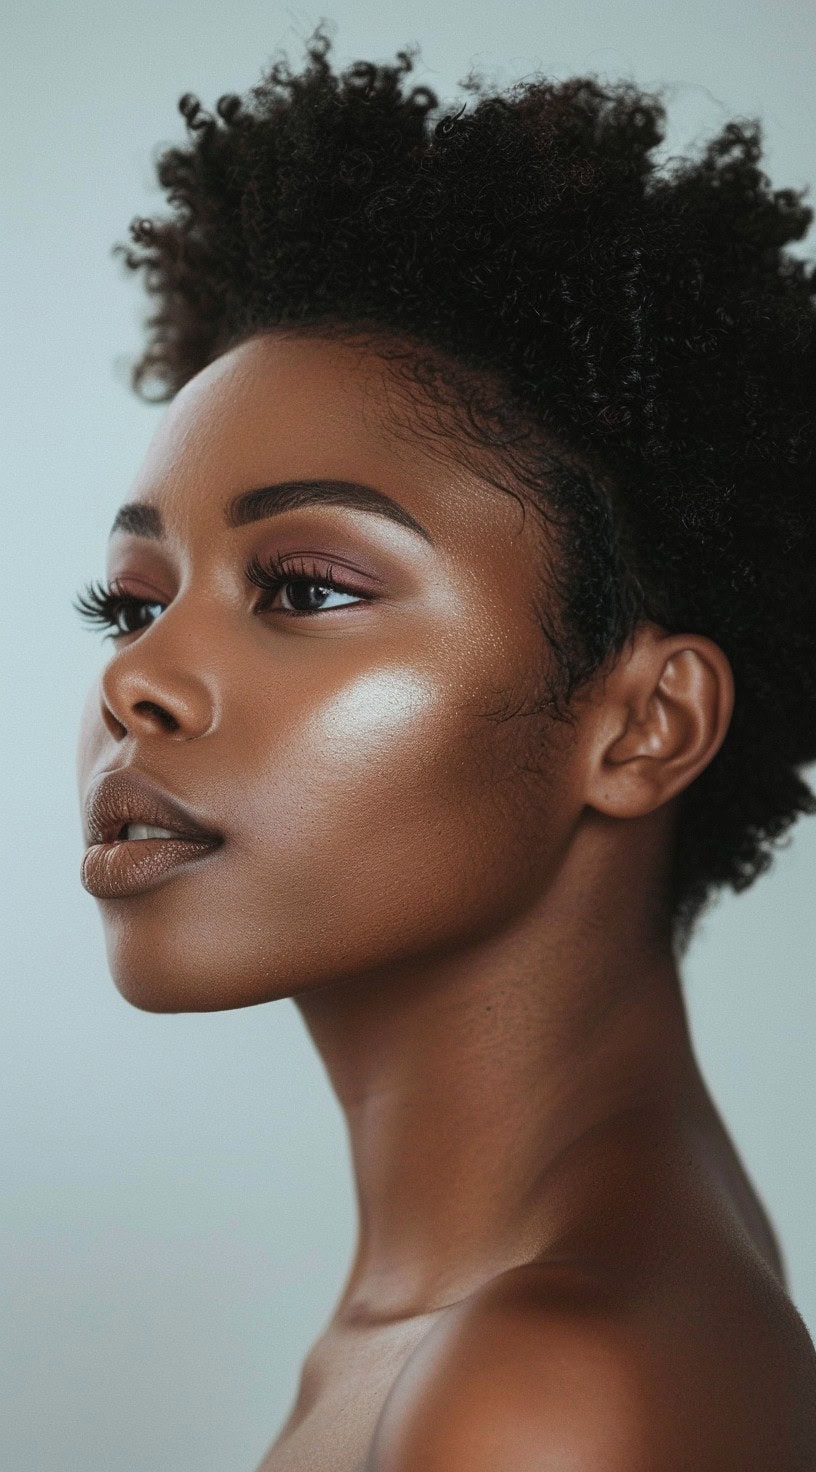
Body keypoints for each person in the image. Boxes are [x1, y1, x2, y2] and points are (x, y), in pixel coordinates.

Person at [74, 23, 816, 1469]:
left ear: (644, 725)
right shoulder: (459, 1336)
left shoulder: (550, 1389)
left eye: (303, 589)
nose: (140, 681)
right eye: (129, 602)